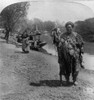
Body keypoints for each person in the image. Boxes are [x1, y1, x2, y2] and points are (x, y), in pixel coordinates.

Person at [58, 21, 84, 85]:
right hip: (65, 55)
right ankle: (67, 79)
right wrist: (60, 43)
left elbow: (81, 43)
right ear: (66, 28)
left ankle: (75, 80)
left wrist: (76, 45)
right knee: (66, 67)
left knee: (75, 68)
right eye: (67, 27)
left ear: (72, 28)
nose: (68, 29)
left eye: (70, 27)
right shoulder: (62, 35)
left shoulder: (76, 35)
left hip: (75, 54)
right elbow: (59, 45)